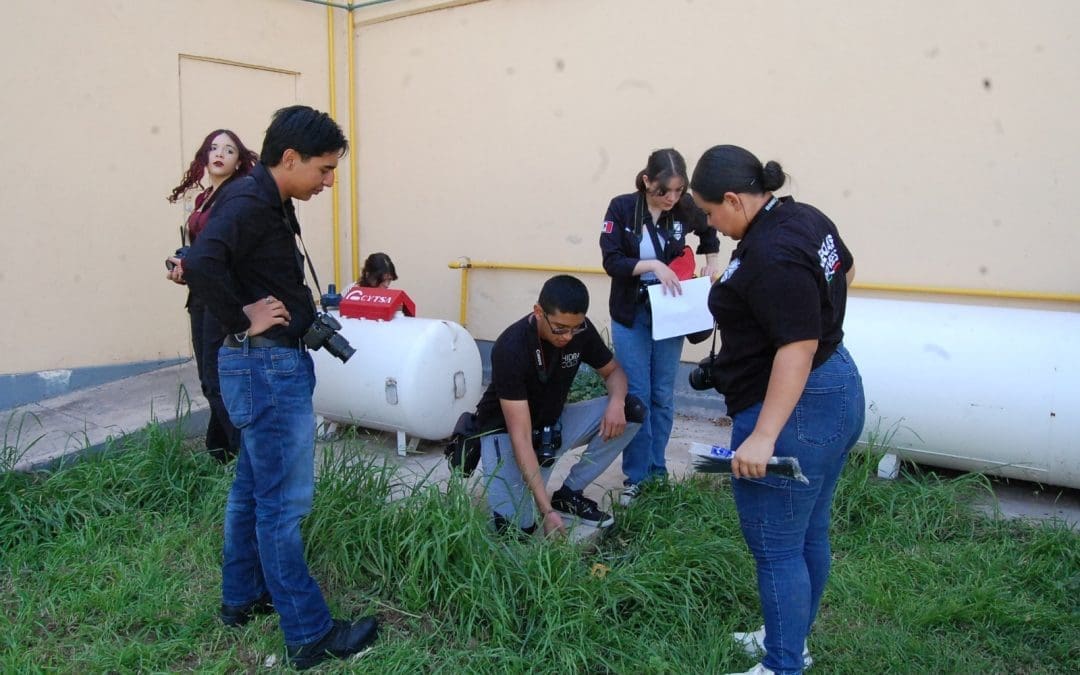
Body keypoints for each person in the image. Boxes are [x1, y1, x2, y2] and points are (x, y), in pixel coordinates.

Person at [182, 106, 378, 670]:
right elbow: (201, 262)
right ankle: (309, 631)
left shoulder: (265, 200)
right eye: (323, 169)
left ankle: (241, 597)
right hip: (266, 369)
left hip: (264, 368)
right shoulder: (246, 201)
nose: (329, 181)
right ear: (289, 159)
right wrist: (243, 317)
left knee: (251, 487)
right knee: (282, 506)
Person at [690, 145, 865, 675]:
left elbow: (796, 347)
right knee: (808, 531)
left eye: (709, 211)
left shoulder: (771, 253)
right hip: (837, 387)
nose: (709, 223)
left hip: (794, 406)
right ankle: (791, 636)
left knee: (776, 547)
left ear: (733, 200)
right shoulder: (800, 217)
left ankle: (783, 663)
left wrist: (764, 436)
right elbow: (847, 271)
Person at [474, 275, 643, 537]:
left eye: (575, 328)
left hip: (552, 424)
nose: (567, 336)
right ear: (538, 312)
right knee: (518, 531)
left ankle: (568, 494)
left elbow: (614, 373)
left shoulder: (580, 330)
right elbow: (520, 436)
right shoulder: (511, 346)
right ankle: (539, 505)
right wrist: (546, 512)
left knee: (632, 410)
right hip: (506, 432)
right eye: (560, 328)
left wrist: (617, 403)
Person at [599, 148, 721, 505]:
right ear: (646, 181)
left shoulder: (683, 208)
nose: (671, 199)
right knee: (637, 396)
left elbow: (709, 229)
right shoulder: (622, 208)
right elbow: (612, 261)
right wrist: (653, 265)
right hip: (632, 312)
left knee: (662, 396)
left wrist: (711, 263)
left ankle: (658, 471)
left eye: (678, 191)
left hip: (670, 313)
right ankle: (636, 477)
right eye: (663, 191)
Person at [165, 129, 257, 463]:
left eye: (229, 150)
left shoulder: (235, 198)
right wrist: (185, 268)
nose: (219, 154)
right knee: (209, 378)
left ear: (238, 161)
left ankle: (241, 456)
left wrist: (197, 267)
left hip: (222, 297)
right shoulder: (204, 198)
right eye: (214, 148)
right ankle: (221, 453)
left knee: (218, 379)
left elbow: (229, 253)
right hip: (200, 294)